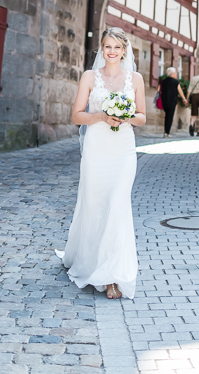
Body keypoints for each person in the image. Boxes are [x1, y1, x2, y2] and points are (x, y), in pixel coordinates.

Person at [56, 27, 146, 300]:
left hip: (123, 151)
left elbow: (142, 117)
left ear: (124, 50)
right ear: (101, 49)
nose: (112, 52)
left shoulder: (136, 78)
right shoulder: (89, 77)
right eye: (107, 46)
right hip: (96, 150)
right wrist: (102, 116)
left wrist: (125, 115)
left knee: (117, 205)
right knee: (95, 206)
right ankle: (90, 261)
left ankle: (112, 277)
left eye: (117, 47)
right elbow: (77, 116)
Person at [157, 67, 187, 137]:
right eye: (175, 73)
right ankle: (166, 133)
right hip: (172, 101)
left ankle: (166, 132)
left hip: (164, 100)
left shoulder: (163, 81)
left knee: (167, 116)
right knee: (169, 117)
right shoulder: (175, 82)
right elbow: (180, 91)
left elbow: (158, 90)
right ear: (172, 74)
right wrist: (184, 98)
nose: (176, 74)